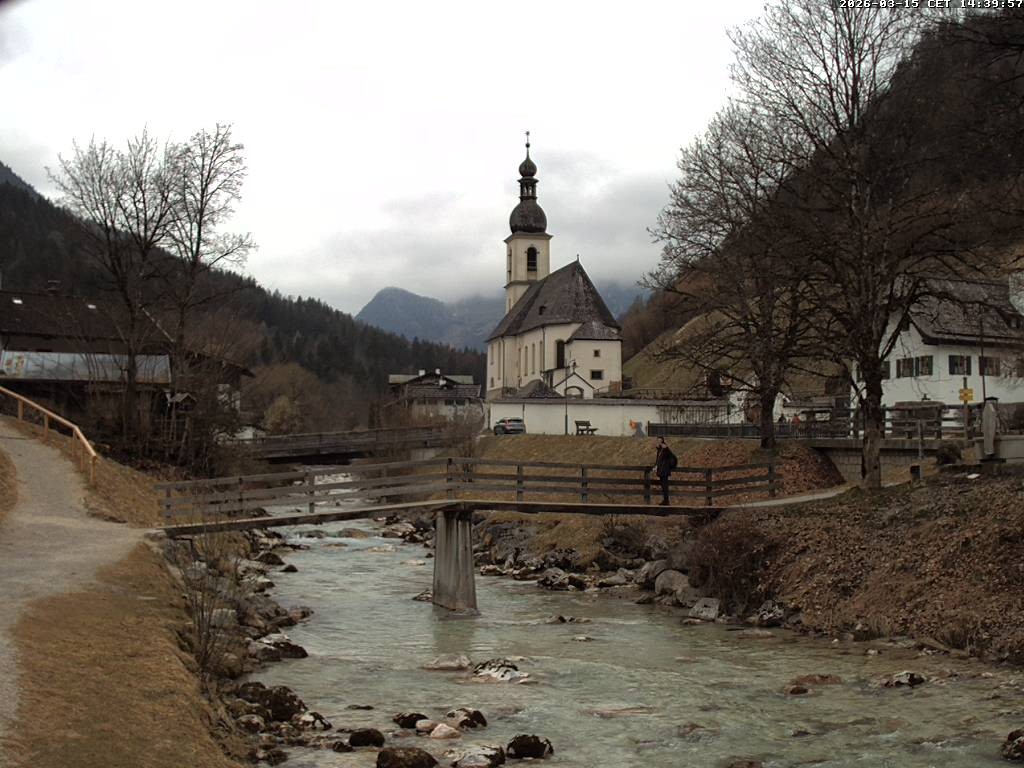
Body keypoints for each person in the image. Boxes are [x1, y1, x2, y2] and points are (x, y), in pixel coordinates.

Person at [653, 437, 677, 506]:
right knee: (663, 486)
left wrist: (666, 449)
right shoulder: (660, 449)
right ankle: (665, 500)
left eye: (659, 440)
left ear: (662, 440)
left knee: (665, 486)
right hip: (662, 470)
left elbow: (669, 455)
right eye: (657, 440)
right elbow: (658, 460)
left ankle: (666, 501)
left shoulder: (665, 448)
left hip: (664, 470)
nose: (658, 441)